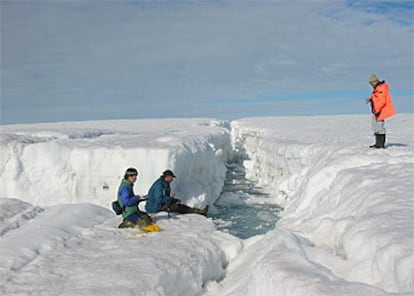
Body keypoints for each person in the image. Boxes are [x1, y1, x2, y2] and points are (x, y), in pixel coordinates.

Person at [366, 74, 396, 149]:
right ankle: (377, 143)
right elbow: (377, 98)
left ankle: (380, 144)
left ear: (375, 82)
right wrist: (370, 99)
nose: (371, 85)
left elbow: (382, 101)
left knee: (379, 127)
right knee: (375, 126)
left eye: (371, 83)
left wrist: (377, 110)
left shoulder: (381, 88)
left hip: (380, 111)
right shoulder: (377, 88)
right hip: (376, 111)